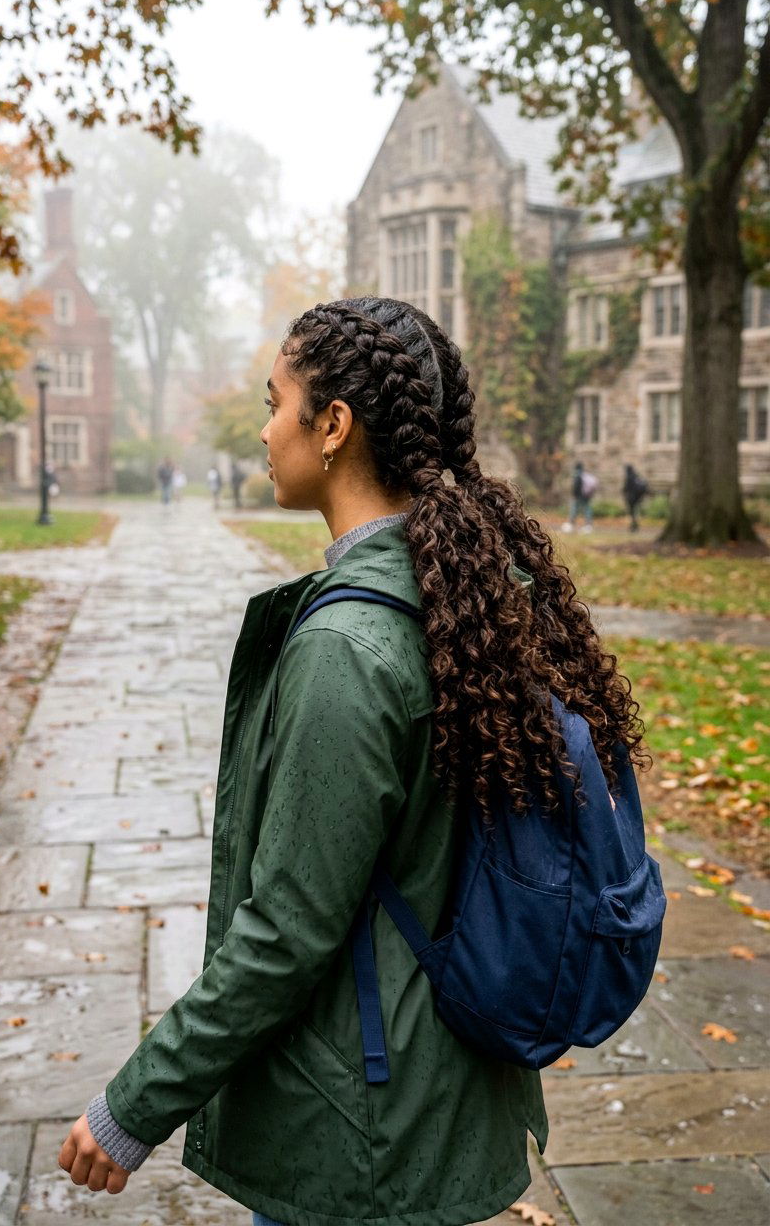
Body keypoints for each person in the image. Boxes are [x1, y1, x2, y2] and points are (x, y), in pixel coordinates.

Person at [58, 297, 644, 1224]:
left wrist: (132, 1108)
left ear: (331, 426)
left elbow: (287, 930)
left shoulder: (351, 646)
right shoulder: (477, 590)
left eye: (274, 400)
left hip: (361, 1134)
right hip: (446, 1099)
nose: (261, 429)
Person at [563, 460, 597, 533]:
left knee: (574, 510)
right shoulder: (585, 474)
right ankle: (588, 524)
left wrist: (574, 495)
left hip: (579, 496)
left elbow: (576, 487)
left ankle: (571, 524)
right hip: (586, 496)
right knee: (587, 509)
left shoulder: (577, 475)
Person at [623, 464, 648, 532]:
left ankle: (633, 526)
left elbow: (626, 488)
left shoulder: (629, 477)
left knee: (632, 513)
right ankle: (635, 525)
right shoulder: (636, 476)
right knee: (636, 512)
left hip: (631, 498)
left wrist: (624, 493)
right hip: (638, 498)